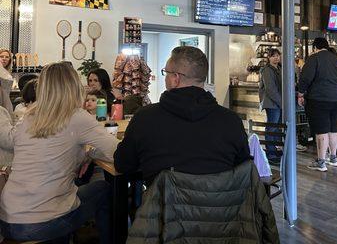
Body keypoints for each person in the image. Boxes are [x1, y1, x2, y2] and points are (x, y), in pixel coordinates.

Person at [0, 62, 119, 244]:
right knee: (103, 190)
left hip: (8, 219)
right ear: (73, 86)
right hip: (41, 222)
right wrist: (91, 154)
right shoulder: (77, 117)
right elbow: (116, 153)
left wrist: (86, 155)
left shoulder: (29, 118)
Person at [114, 46, 250, 183]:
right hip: (222, 203)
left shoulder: (145, 118)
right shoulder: (231, 121)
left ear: (175, 79)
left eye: (166, 73)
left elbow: (123, 165)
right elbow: (243, 169)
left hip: (163, 203)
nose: (165, 78)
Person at [297, 37, 337, 172]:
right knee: (332, 129)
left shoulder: (314, 58)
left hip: (319, 99)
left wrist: (300, 93)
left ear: (315, 47)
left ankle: (321, 162)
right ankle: (333, 158)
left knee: (321, 131)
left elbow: (305, 78)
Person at [259, 48, 282, 164]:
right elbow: (270, 89)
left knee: (276, 127)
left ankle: (275, 151)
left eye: (278, 55)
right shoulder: (267, 70)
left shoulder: (279, 68)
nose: (276, 57)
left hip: (278, 102)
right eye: (273, 56)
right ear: (269, 57)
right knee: (271, 127)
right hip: (272, 103)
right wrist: (281, 103)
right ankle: (271, 154)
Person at [0, 49, 13, 113]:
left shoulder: (7, 73)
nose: (4, 59)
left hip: (6, 103)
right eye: (1, 56)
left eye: (7, 57)